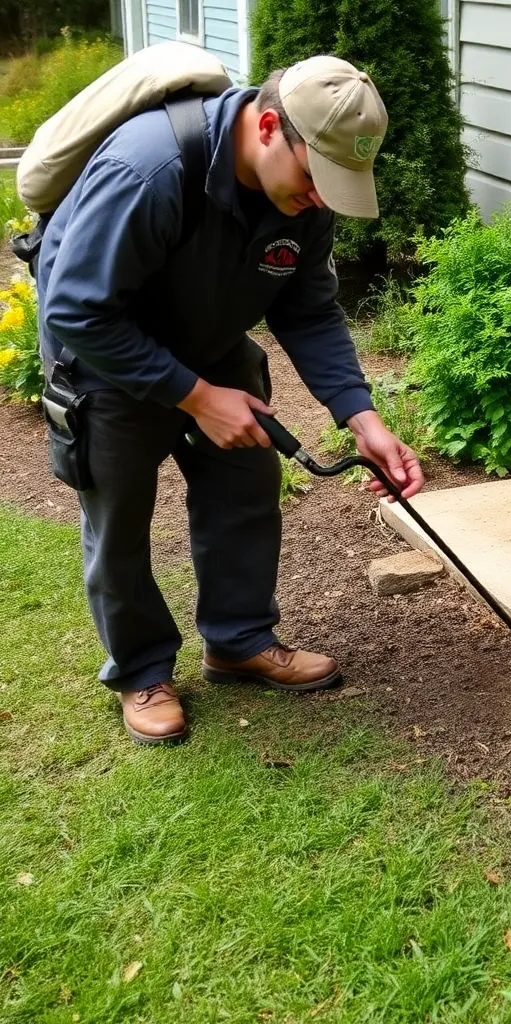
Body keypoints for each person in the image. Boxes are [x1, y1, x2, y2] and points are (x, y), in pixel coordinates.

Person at [35, 55, 424, 746]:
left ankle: (238, 639)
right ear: (269, 126)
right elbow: (77, 310)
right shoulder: (149, 170)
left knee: (245, 484)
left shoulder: (304, 202)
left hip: (211, 339)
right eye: (314, 177)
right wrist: (194, 397)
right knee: (120, 515)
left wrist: (363, 417)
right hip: (105, 353)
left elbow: (308, 311)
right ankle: (141, 669)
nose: (321, 197)